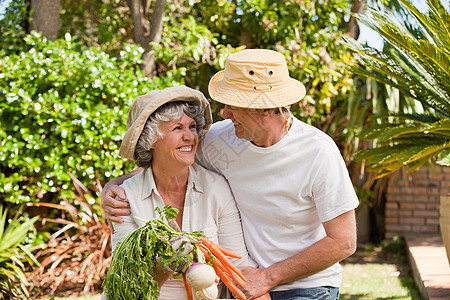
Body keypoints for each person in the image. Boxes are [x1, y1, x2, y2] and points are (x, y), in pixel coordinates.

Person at [102, 49, 359, 300]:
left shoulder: (317, 152)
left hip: (306, 285)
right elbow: (167, 159)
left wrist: (268, 278)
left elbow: (344, 242)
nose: (224, 113)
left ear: (266, 109)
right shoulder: (221, 139)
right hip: (245, 280)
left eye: (233, 105)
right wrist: (114, 185)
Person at [102, 85, 265, 299]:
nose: (190, 136)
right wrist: (168, 264)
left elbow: (239, 269)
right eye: (177, 128)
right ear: (151, 140)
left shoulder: (215, 187)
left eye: (192, 126)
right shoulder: (126, 199)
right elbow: (130, 286)